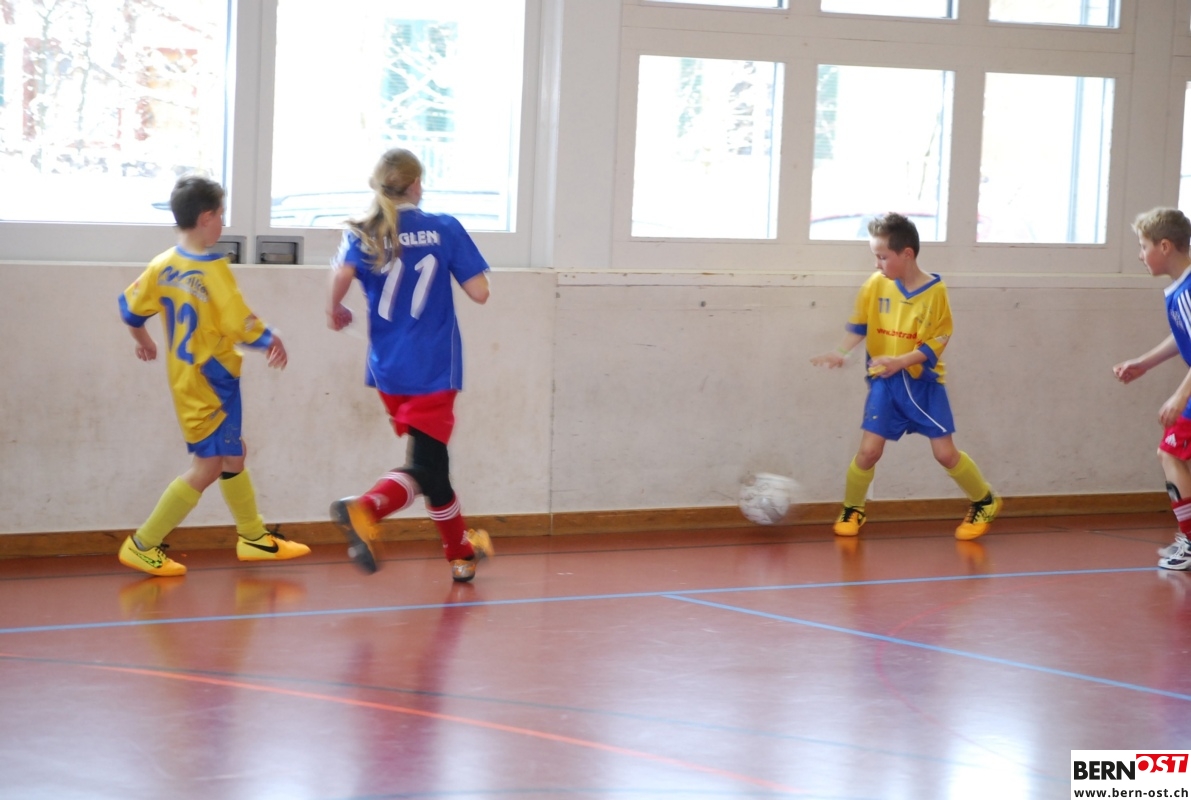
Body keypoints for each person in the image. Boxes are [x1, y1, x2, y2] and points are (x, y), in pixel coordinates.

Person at [117, 175, 310, 576]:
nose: (222, 223)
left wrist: (144, 341)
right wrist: (270, 338)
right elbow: (237, 320)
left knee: (234, 453)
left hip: (186, 378)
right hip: (213, 381)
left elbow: (130, 310)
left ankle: (253, 538)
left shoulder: (161, 265)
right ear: (206, 218)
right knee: (207, 466)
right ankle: (143, 544)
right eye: (221, 215)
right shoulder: (212, 269)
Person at [326, 148, 494, 581]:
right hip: (433, 366)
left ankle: (460, 553)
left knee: (433, 466)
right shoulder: (444, 227)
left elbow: (341, 276)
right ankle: (366, 508)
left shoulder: (365, 231)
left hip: (388, 369)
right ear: (417, 183)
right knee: (424, 468)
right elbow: (480, 293)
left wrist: (335, 308)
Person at [811, 212, 1001, 540]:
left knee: (945, 454)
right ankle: (853, 508)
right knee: (869, 452)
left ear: (907, 254)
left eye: (883, 256)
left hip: (923, 384)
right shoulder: (875, 284)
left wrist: (901, 361)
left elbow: (936, 342)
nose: (877, 264)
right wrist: (840, 352)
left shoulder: (935, 292)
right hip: (885, 383)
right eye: (875, 256)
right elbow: (860, 325)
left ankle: (985, 500)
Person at [1113, 207, 1191, 571]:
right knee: (1173, 455)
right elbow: (1182, 336)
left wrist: (1180, 395)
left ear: (1165, 246)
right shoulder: (1180, 289)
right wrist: (1144, 363)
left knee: (1170, 453)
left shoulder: (1188, 291)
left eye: (1143, 246)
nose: (1140, 255)